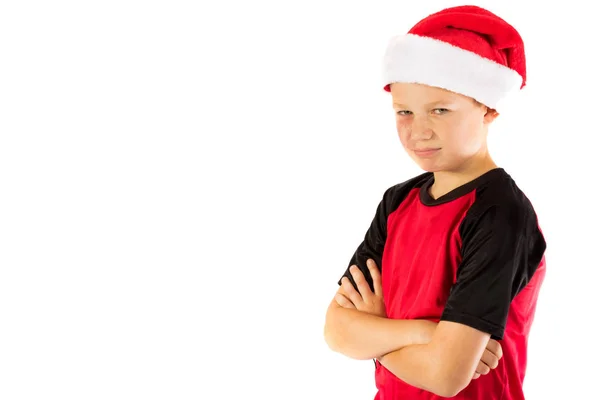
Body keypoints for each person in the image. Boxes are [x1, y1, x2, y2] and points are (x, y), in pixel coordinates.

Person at [323, 5, 547, 400]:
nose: (419, 130)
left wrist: (375, 333)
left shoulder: (500, 212)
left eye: (440, 110)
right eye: (404, 111)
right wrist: (425, 334)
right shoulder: (397, 201)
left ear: (488, 108)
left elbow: (446, 376)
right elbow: (337, 331)